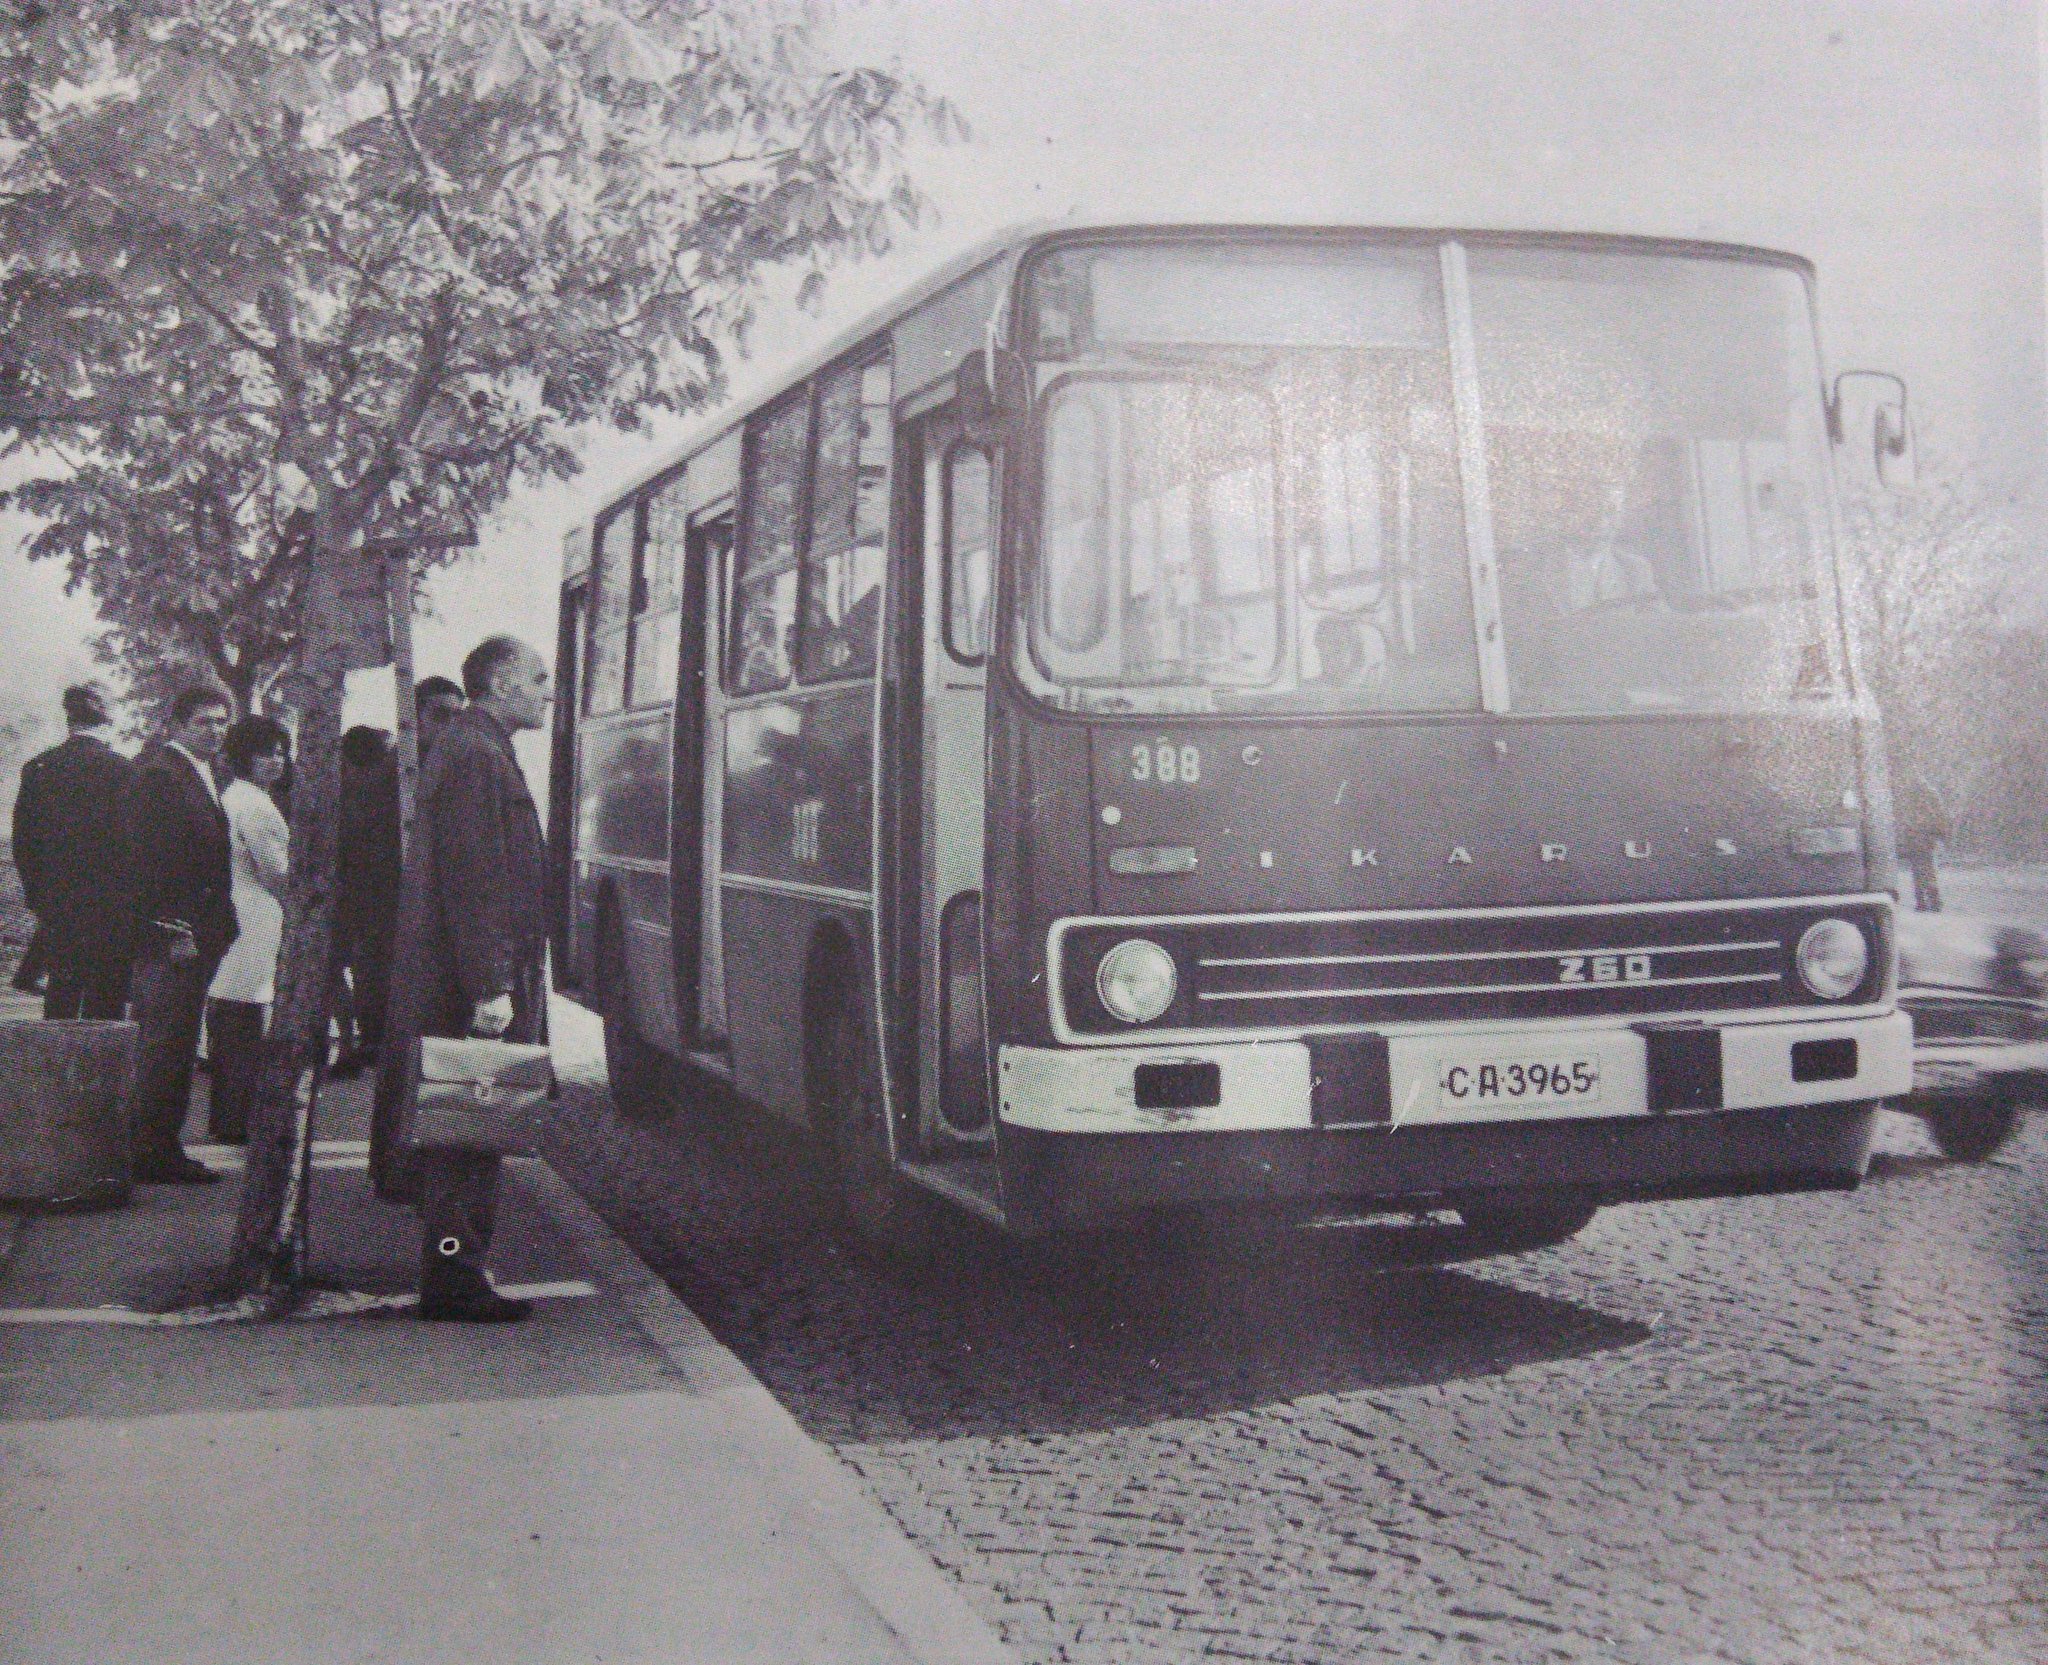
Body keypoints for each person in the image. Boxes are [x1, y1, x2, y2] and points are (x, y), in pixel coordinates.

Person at [385, 637, 551, 1321]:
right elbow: (477, 879)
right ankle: (454, 1275)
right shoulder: (478, 755)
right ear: (503, 681)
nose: (547, 689)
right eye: (538, 677)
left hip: (458, 975)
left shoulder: (471, 747)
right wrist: (489, 987)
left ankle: (457, 1266)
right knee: (467, 1131)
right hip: (466, 984)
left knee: (466, 1129)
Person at [125, 685, 237, 1183]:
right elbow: (152, 867)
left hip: (195, 933)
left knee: (176, 1042)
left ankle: (157, 1147)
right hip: (173, 939)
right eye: (203, 723)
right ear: (175, 726)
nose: (215, 731)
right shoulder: (160, 777)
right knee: (166, 1045)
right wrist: (174, 932)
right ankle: (152, 1153)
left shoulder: (195, 772)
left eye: (221, 722)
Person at [11, 684, 136, 1020]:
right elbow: (130, 847)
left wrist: (39, 897)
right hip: (110, 909)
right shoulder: (123, 771)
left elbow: (24, 845)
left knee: (60, 999)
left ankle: (58, 1072)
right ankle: (100, 1072)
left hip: (56, 905)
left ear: (69, 718)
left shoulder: (38, 768)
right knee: (105, 1004)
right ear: (109, 719)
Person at [203, 717, 291, 1144]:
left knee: (235, 1014)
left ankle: (230, 1119)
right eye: (265, 752)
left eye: (280, 752)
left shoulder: (237, 797)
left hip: (243, 912)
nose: (276, 761)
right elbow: (276, 873)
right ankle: (238, 1121)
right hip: (255, 915)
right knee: (245, 1015)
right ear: (243, 757)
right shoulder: (253, 804)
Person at [333, 725, 400, 1076]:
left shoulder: (349, 790)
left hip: (352, 897)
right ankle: (361, 1042)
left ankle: (351, 1043)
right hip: (369, 899)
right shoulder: (375, 792)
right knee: (366, 972)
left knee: (344, 973)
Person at [415, 675, 466, 758]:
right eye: (440, 714)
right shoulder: (395, 764)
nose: (451, 722)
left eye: (457, 715)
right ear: (417, 718)